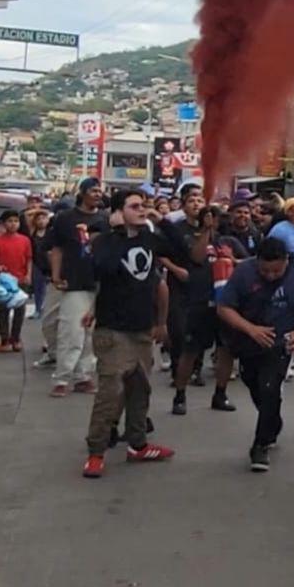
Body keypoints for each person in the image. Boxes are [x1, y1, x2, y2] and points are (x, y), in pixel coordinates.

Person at [82, 190, 175, 478]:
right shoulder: (106, 243)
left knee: (140, 388)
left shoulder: (149, 238)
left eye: (144, 205)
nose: (142, 210)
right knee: (111, 392)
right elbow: (102, 269)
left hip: (141, 329)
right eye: (135, 206)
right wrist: (119, 232)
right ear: (119, 212)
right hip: (113, 330)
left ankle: (137, 443)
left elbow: (179, 249)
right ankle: (96, 452)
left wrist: (162, 219)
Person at [218, 238, 294, 472]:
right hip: (249, 341)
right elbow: (224, 307)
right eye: (265, 271)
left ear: (287, 261)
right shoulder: (244, 272)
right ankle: (272, 420)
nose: (271, 276)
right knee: (255, 385)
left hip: (280, 344)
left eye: (277, 271)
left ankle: (260, 445)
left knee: (270, 387)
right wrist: (251, 329)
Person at [170, 196, 238, 416]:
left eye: (214, 218)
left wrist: (233, 261)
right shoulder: (191, 238)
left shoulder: (226, 242)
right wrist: (206, 233)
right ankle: (180, 395)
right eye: (208, 218)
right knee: (190, 351)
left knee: (225, 350)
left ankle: (220, 393)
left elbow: (247, 263)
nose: (212, 221)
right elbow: (197, 257)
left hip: (224, 305)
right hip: (199, 303)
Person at [46, 178, 109, 397]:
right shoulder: (65, 218)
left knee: (91, 335)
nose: (98, 194)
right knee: (71, 331)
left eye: (100, 191)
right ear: (82, 193)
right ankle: (62, 378)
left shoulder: (106, 219)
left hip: (100, 283)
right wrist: (55, 275)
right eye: (93, 190)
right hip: (74, 282)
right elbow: (57, 248)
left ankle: (84, 376)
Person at [0, 210, 33, 352]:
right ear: (3, 224)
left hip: (20, 279)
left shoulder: (25, 240)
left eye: (16, 221)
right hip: (4, 282)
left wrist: (28, 275)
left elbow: (29, 259)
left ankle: (16, 338)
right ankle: (4, 339)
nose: (13, 224)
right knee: (2, 311)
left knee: (19, 310)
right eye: (10, 221)